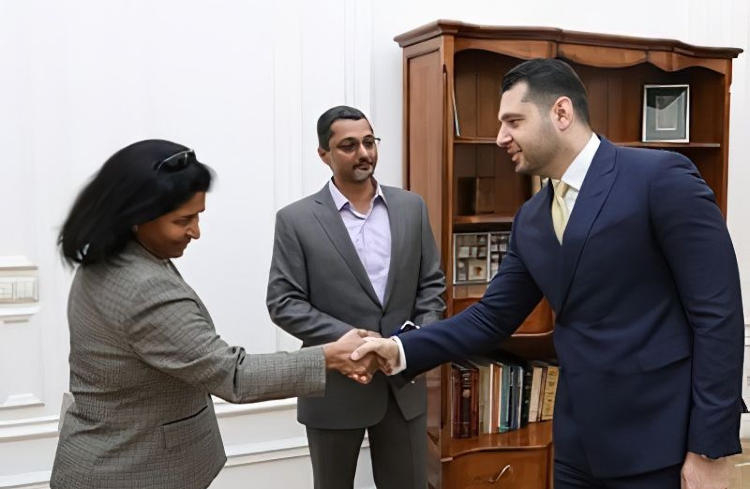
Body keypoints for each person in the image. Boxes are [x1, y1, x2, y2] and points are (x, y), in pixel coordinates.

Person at [353, 59, 744, 489]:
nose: (501, 137)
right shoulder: (532, 218)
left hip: (660, 444)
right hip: (576, 447)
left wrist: (710, 448)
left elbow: (717, 316)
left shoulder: (660, 178)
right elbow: (491, 317)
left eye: (513, 121)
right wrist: (400, 349)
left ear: (561, 112)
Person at [50, 139, 373, 489]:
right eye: (183, 220)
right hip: (130, 469)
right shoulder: (145, 289)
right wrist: (330, 357)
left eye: (198, 216)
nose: (196, 231)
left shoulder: (110, 256)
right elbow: (234, 376)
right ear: (136, 217)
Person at [266, 105, 445, 488]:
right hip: (333, 387)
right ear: (324, 154)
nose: (364, 153)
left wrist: (408, 344)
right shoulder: (296, 220)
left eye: (369, 142)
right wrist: (358, 343)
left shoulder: (411, 207)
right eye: (349, 146)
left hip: (403, 382)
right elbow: (284, 302)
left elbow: (432, 286)